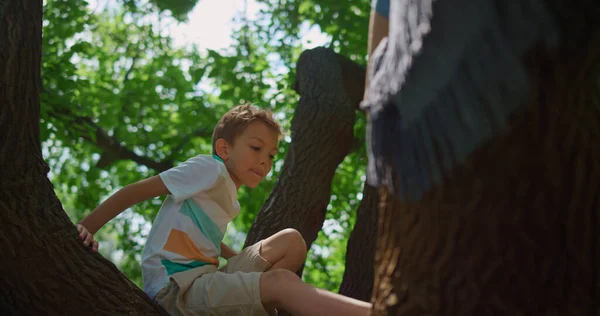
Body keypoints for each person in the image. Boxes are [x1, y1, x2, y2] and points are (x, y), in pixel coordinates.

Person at [76, 103, 372, 316]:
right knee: (281, 282)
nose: (265, 161)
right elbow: (135, 191)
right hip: (177, 292)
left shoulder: (226, 192)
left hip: (204, 280)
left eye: (271, 155)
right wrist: (86, 228)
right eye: (256, 148)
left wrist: (242, 261)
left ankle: (257, 301)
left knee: (291, 240)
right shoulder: (209, 169)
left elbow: (205, 240)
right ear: (224, 149)